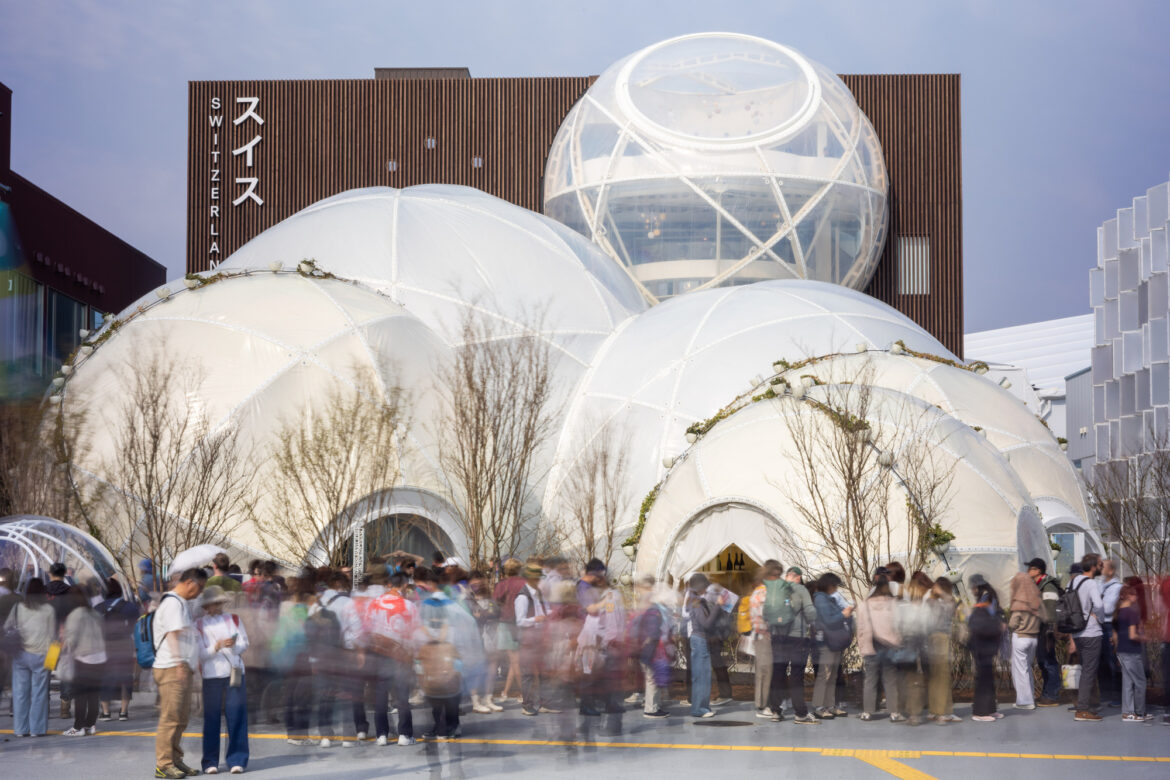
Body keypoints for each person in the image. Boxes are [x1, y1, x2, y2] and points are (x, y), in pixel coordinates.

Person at [153, 567, 208, 779]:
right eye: (200, 587)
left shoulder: (181, 604)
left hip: (180, 666)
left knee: (181, 718)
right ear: (190, 583)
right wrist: (178, 664)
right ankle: (164, 764)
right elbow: (173, 635)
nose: (200, 592)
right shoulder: (173, 603)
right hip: (171, 667)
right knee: (170, 718)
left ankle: (175, 759)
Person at [196, 585, 249, 774]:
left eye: (219, 602)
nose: (217, 606)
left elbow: (244, 642)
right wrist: (216, 647)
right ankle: (210, 761)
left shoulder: (233, 619)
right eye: (213, 603)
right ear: (206, 605)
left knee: (237, 716)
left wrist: (234, 645)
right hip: (211, 675)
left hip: (234, 672)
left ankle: (237, 759)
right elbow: (200, 654)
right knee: (211, 719)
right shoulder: (199, 625)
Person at [365, 572, 419, 745]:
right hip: (401, 655)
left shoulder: (374, 603)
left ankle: (381, 734)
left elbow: (367, 629)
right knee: (402, 695)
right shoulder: (408, 606)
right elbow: (415, 632)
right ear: (403, 586)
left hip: (378, 654)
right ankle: (405, 734)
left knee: (380, 694)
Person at [3, 578, 55, 737]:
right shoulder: (49, 610)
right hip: (41, 655)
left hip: (21, 655)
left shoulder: (18, 607)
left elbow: (7, 628)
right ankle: (37, 730)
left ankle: (20, 729)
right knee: (39, 694)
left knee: (20, 693)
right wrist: (52, 662)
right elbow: (53, 638)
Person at [768, 566, 818, 725]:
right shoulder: (802, 590)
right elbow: (810, 612)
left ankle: (775, 711)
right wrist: (812, 623)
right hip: (797, 638)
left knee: (778, 673)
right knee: (796, 675)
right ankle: (800, 714)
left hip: (778, 637)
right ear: (798, 577)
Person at [61, 589, 108, 736]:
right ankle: (90, 725)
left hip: (84, 658)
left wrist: (62, 641)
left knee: (81, 695)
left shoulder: (75, 615)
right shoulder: (95, 613)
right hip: (100, 658)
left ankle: (78, 727)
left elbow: (71, 640)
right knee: (93, 694)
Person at [855, 574, 900, 721]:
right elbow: (898, 625)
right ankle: (894, 713)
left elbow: (860, 628)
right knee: (891, 680)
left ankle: (867, 712)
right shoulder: (893, 604)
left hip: (871, 646)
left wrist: (862, 646)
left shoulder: (864, 605)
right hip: (889, 647)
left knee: (870, 680)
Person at [98, 578, 140, 722]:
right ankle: (123, 712)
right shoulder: (130, 607)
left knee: (105, 678)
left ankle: (106, 712)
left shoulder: (98, 608)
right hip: (125, 645)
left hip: (104, 646)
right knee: (126, 678)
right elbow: (136, 626)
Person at [811, 572, 852, 720]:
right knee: (825, 674)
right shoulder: (821, 600)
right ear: (829, 585)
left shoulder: (828, 599)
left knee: (832, 674)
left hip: (832, 641)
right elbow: (828, 620)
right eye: (834, 585)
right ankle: (819, 706)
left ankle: (829, 704)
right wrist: (844, 615)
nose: (836, 589)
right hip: (827, 642)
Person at [1070, 553, 1105, 722]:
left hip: (1077, 632)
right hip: (1091, 632)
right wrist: (1101, 618)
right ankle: (1083, 709)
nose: (1101, 567)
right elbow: (1098, 605)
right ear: (1092, 567)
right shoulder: (1090, 583)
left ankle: (1085, 705)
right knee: (1089, 671)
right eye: (1099, 564)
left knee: (1086, 670)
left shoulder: (1072, 582)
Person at [895, 572, 933, 724]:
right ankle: (915, 713)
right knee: (916, 681)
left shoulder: (902, 606)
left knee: (904, 679)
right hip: (919, 645)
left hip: (904, 645)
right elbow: (926, 626)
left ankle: (903, 709)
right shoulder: (922, 607)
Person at [748, 560, 782, 719]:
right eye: (775, 575)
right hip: (764, 636)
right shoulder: (762, 593)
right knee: (765, 670)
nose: (778, 578)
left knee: (767, 670)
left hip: (767, 636)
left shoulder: (766, 591)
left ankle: (766, 703)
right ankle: (763, 705)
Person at [1027, 558, 1063, 706]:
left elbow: (1051, 608)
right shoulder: (1039, 585)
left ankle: (1052, 695)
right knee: (1043, 661)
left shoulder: (1048, 587)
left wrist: (1049, 629)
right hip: (1041, 627)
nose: (1028, 571)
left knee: (1048, 661)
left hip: (1047, 629)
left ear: (1038, 571)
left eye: (1031, 569)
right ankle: (1047, 693)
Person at [515, 563, 549, 716]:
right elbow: (520, 621)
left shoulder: (539, 594)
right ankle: (527, 704)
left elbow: (546, 610)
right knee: (528, 672)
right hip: (528, 639)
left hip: (540, 637)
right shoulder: (522, 597)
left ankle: (544, 702)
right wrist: (536, 619)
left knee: (544, 671)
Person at [925, 577, 961, 723]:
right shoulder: (945, 602)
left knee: (935, 676)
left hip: (932, 639)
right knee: (942, 676)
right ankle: (944, 712)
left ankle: (934, 711)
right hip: (941, 638)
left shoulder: (931, 602)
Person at [1114, 584, 1152, 722]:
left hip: (1122, 651)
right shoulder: (1131, 612)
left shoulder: (1119, 612)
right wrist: (1144, 637)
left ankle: (1128, 712)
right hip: (1131, 651)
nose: (1136, 597)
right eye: (1134, 594)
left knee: (1128, 682)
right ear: (1129, 596)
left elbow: (1118, 634)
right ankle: (1139, 712)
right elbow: (1132, 635)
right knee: (1140, 682)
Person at [968, 580, 1005, 722]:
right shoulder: (985, 603)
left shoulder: (985, 601)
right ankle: (980, 712)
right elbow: (982, 627)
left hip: (984, 648)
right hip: (982, 648)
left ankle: (989, 709)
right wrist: (998, 627)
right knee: (984, 680)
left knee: (987, 679)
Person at [685, 573, 719, 719]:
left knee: (701, 675)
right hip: (699, 640)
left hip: (698, 639)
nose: (706, 589)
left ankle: (701, 707)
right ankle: (700, 709)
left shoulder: (696, 600)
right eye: (705, 586)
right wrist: (718, 607)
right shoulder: (697, 603)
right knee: (702, 675)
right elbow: (705, 624)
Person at [492, 558, 525, 703]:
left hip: (506, 623)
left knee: (515, 660)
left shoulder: (502, 585)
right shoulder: (524, 584)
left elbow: (495, 602)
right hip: (522, 623)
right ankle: (506, 692)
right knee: (515, 660)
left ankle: (524, 693)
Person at [1008, 568, 1042, 710]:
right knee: (1027, 668)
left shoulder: (1019, 600)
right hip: (1034, 638)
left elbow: (1013, 622)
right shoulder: (1036, 597)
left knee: (1020, 671)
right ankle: (1030, 698)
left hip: (1021, 637)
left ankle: (1025, 701)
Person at [1097, 559, 1123, 708]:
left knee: (1113, 662)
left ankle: (1117, 696)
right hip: (1100, 625)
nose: (1100, 568)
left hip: (1109, 625)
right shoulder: (1100, 585)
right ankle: (1105, 695)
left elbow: (1107, 608)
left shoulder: (1116, 587)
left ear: (1111, 571)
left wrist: (1095, 605)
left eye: (1103, 566)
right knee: (1102, 663)